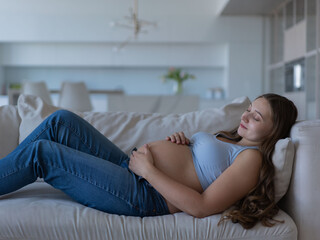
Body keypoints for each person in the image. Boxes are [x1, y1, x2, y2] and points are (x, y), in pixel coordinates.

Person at [0, 93, 297, 229]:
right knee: (60, 122)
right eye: (248, 109)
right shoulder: (230, 141)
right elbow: (197, 166)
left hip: (144, 194)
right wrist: (187, 142)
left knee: (43, 153)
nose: (245, 116)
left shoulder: (252, 161)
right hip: (132, 169)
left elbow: (202, 206)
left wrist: (149, 170)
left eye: (256, 117)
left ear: (275, 129)